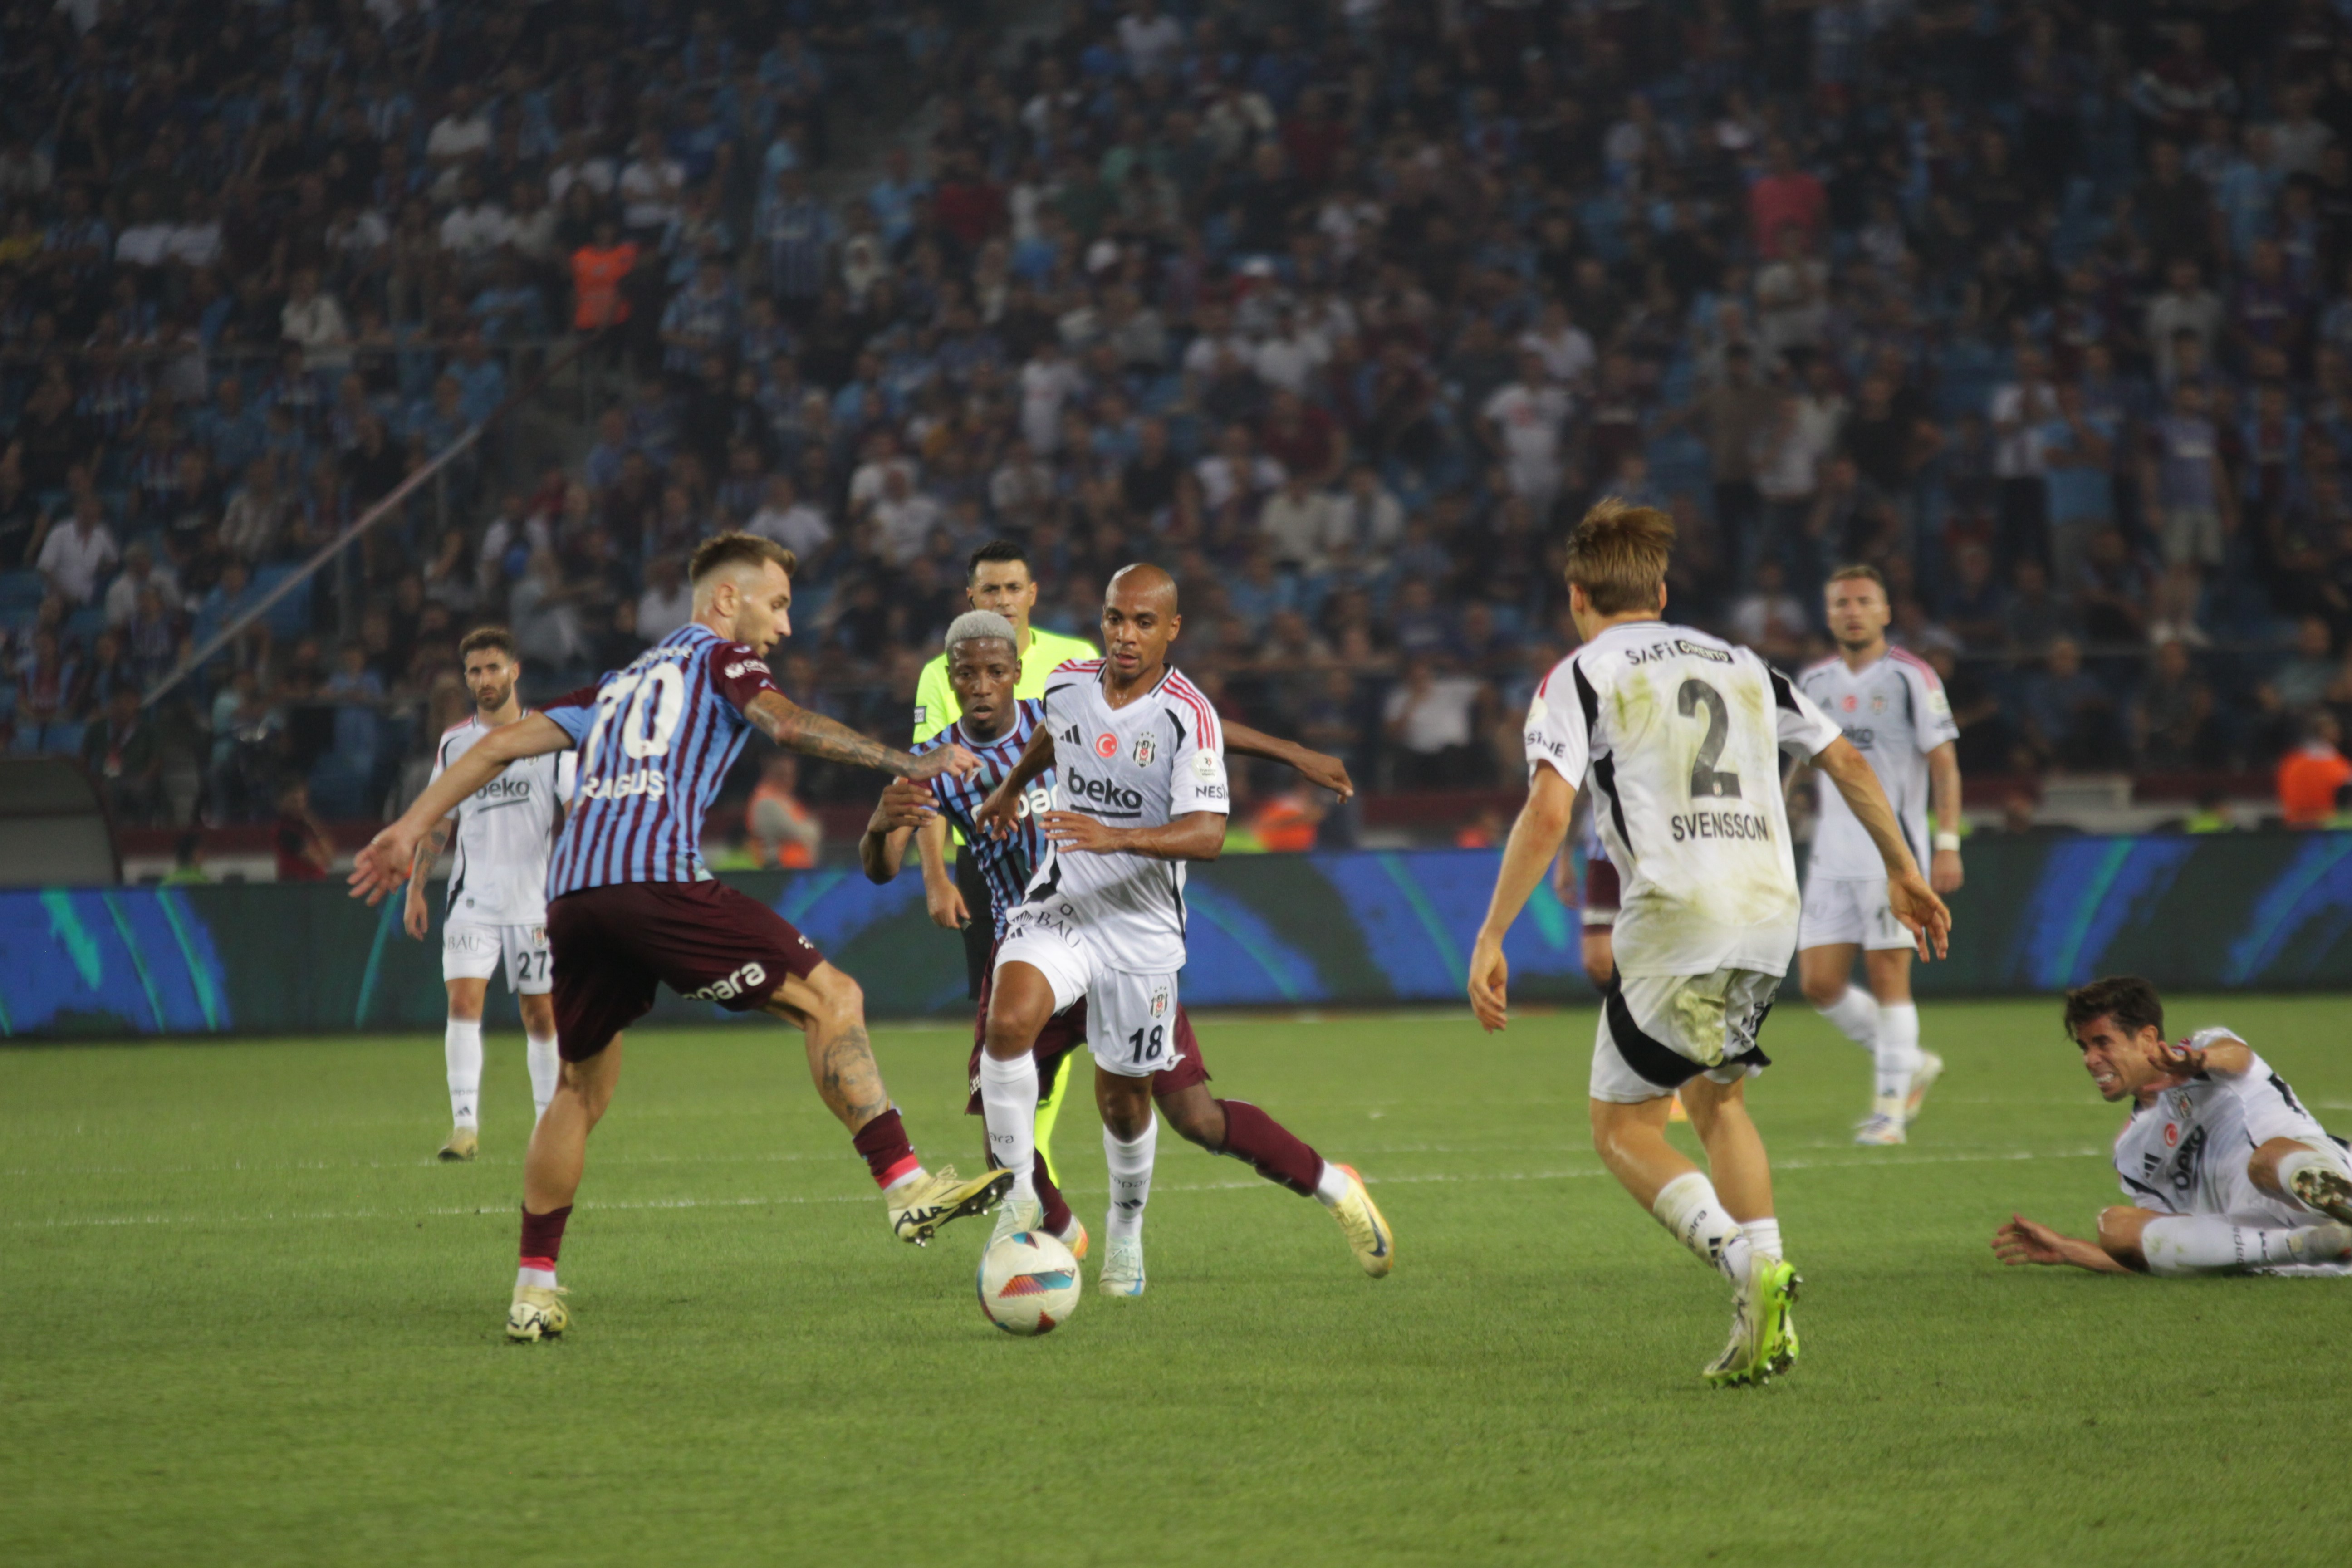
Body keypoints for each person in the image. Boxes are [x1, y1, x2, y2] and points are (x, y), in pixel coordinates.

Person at [349, 534, 1006, 1344]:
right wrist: (910, 761)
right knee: (832, 997)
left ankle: (532, 1289)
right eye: (777, 604)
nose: (786, 626)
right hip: (653, 881)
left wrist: (410, 825)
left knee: (578, 1090)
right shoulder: (724, 661)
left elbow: (495, 746)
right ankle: (905, 1183)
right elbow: (787, 725)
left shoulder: (617, 685)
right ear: (726, 601)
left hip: (572, 897)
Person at [1466, 500, 1950, 1387]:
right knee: (1719, 1100)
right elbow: (1845, 760)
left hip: (1679, 911)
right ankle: (1767, 1293)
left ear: (1577, 597)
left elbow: (1548, 807)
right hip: (1770, 908)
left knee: (1621, 1126)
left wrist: (1494, 931)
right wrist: (1905, 865)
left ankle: (1745, 1265)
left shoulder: (1579, 673)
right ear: (1660, 589)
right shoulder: (1746, 664)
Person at [860, 608, 1361, 1276]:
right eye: (965, 675)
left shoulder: (1067, 704)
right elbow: (880, 865)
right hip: (1038, 940)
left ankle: (1330, 1186)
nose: (980, 686)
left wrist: (1294, 753)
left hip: (1123, 935)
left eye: (993, 673)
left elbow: (1194, 728)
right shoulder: (936, 770)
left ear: (1016, 675)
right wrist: (876, 827)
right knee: (1001, 1135)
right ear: (948, 681)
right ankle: (1060, 1242)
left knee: (1192, 1118)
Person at [966, 569, 1393, 1298]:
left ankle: (1129, 1237)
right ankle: (1021, 1209)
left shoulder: (1186, 715)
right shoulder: (1070, 683)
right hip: (1063, 905)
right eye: (1113, 619)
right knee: (1003, 1030)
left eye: (1141, 622)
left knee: (1140, 1105)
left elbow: (1209, 834)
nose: (1124, 635)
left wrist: (1114, 836)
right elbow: (1051, 732)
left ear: (1171, 630)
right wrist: (1008, 790)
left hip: (1139, 933)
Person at [1992, 976, 2352, 1276]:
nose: (2090, 1059)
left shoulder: (2208, 1050)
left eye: (2103, 1043)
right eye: (2084, 1047)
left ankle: (2343, 1208)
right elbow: (2169, 1245)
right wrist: (2072, 1251)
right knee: (2114, 1227)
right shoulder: (2131, 1152)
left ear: (2148, 1038)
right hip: (2267, 1239)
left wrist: (2198, 1061)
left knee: (2265, 1162)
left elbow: (2238, 1056)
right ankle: (2312, 1246)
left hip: (2312, 1177)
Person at [1791, 566, 1965, 1145]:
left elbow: (1944, 763)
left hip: (1894, 854)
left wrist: (1946, 844)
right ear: (1829, 613)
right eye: (1841, 602)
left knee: (1890, 975)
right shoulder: (1814, 681)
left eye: (1864, 601)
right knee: (1819, 983)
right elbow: (1796, 760)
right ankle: (1910, 1061)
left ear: (1886, 612)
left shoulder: (1913, 677)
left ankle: (1890, 1113)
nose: (1852, 611)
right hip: (1830, 855)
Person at [402, 627, 564, 1163]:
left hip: (534, 902)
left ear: (515, 671)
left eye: (493, 668)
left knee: (539, 1016)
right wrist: (416, 889)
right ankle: (464, 1128)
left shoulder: (550, 736)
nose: (484, 680)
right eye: (474, 671)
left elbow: (577, 814)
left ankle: (548, 1128)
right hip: (473, 899)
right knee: (463, 1003)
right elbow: (438, 820)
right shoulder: (456, 743)